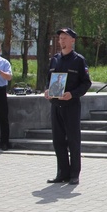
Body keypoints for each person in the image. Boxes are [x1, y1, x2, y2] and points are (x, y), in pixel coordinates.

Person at [44, 28, 92, 185]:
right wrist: (47, 90)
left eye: (65, 38)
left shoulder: (78, 60)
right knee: (58, 141)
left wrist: (73, 93)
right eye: (60, 38)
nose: (61, 41)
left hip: (71, 105)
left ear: (73, 41)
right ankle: (62, 172)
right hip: (56, 104)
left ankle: (74, 174)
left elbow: (86, 83)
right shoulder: (55, 59)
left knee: (73, 140)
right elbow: (49, 79)